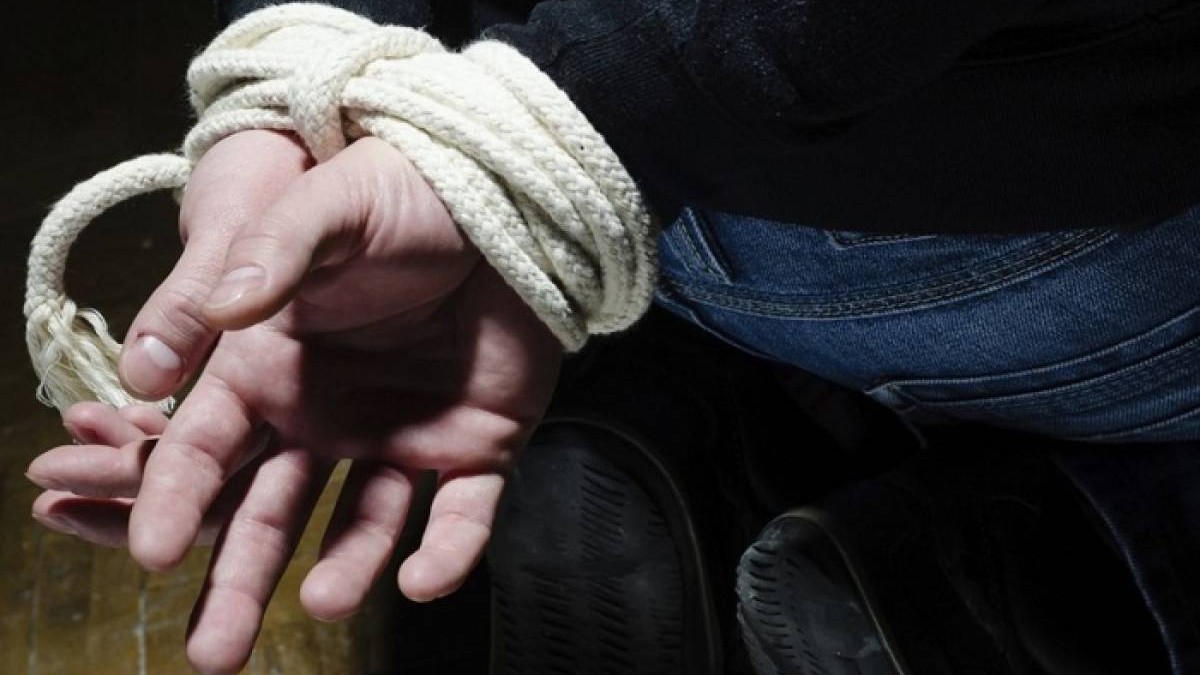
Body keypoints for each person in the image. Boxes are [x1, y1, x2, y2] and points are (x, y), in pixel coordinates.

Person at [24, 0, 1200, 673]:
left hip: (555, 180)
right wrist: (542, 116)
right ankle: (1044, 562)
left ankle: (677, 412)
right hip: (1006, 246)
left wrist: (317, 70)